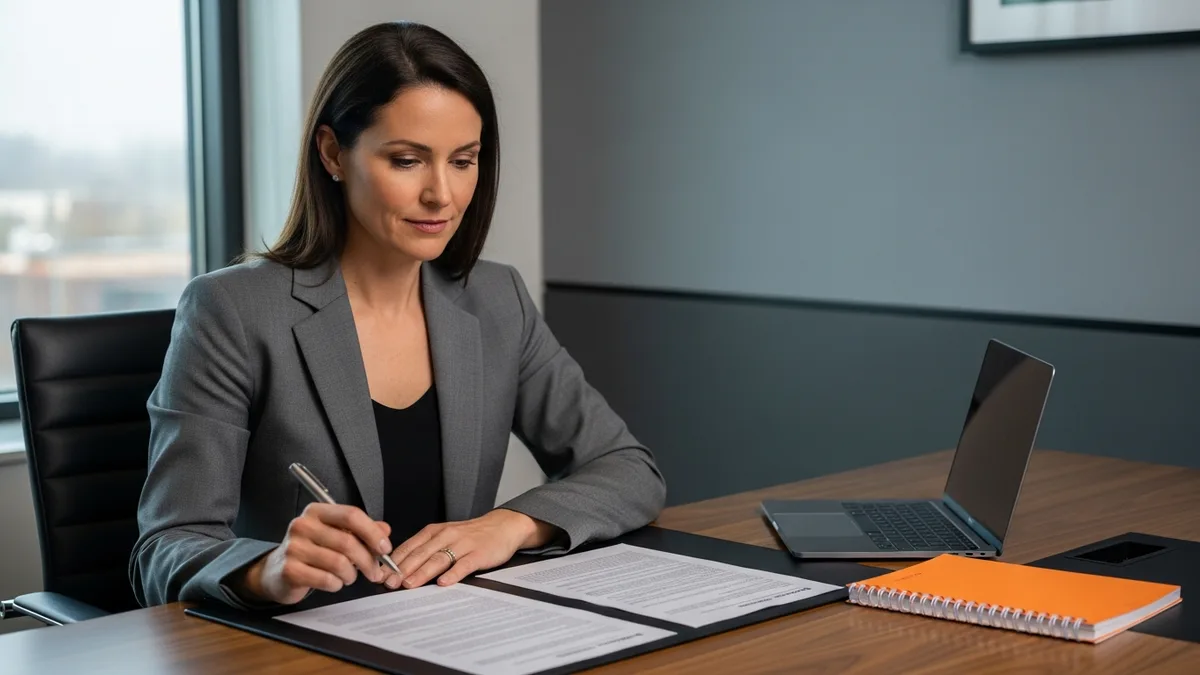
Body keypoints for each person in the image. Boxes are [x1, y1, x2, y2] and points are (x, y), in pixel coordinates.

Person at [129, 21, 666, 608]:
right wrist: (270, 568)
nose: (442, 194)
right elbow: (167, 545)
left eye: (463, 161)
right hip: (302, 647)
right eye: (408, 161)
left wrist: (510, 524)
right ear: (334, 153)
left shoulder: (496, 299)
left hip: (459, 638)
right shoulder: (232, 310)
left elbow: (628, 469)